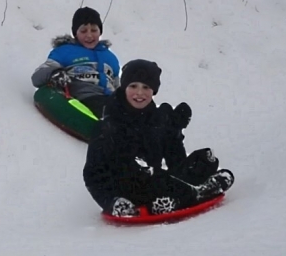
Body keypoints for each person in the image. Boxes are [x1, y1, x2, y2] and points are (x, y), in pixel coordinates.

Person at [83, 59, 234, 217]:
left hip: (156, 180)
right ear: (124, 87)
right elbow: (93, 175)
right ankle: (197, 193)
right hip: (129, 188)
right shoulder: (108, 126)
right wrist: (111, 202)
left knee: (204, 160)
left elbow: (175, 161)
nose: (139, 93)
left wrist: (175, 132)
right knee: (151, 177)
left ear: (154, 91)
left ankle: (172, 199)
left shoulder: (155, 119)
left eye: (146, 87)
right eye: (133, 86)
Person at [31, 7, 120, 119]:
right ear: (75, 33)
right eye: (83, 31)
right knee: (108, 111)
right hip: (84, 97)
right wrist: (55, 73)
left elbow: (118, 86)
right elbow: (37, 77)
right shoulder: (65, 52)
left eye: (94, 30)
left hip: (110, 99)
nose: (89, 35)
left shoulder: (110, 57)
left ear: (100, 31)